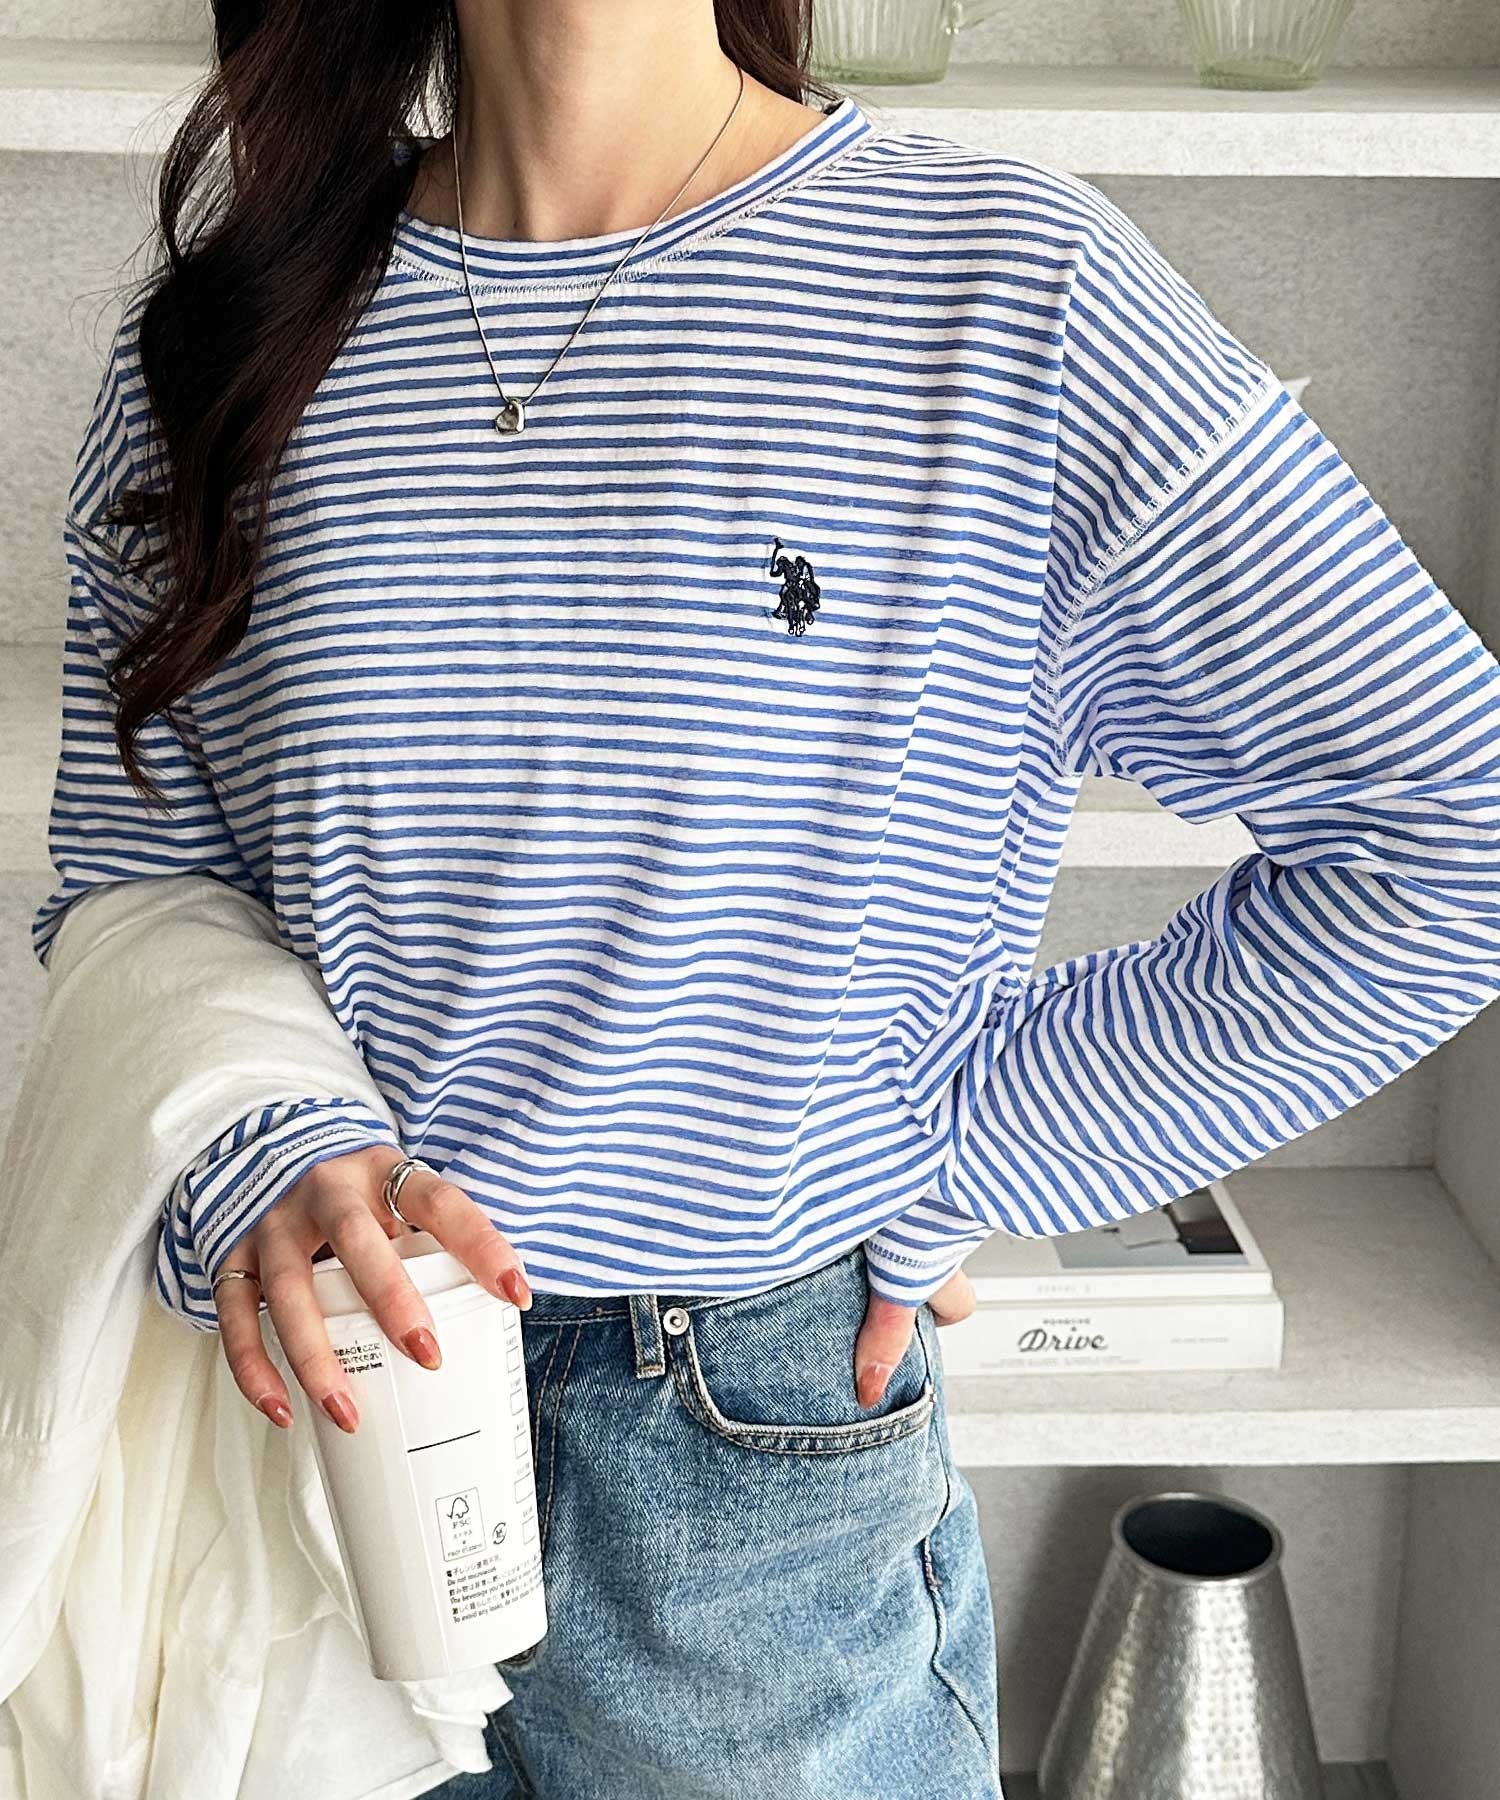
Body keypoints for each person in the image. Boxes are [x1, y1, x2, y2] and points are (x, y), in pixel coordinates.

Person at [31, 0, 1500, 1792]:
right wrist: (262, 1147)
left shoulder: (1004, 289)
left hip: (750, 1504)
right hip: (311, 1465)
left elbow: (1447, 831)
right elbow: (140, 876)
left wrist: (953, 1142)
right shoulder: (233, 327)